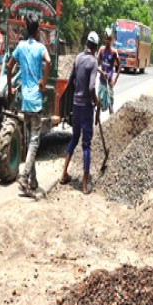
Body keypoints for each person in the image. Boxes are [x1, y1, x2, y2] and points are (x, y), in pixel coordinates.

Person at [6, 13, 51, 196]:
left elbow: (9, 66)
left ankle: (33, 181)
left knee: (28, 138)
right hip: (36, 101)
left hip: (25, 100)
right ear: (38, 29)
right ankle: (25, 176)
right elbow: (48, 61)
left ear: (26, 28)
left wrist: (10, 87)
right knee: (34, 141)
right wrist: (43, 81)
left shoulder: (20, 47)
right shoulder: (40, 48)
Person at [60, 32, 101, 194]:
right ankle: (84, 185)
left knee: (74, 138)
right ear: (96, 47)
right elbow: (91, 87)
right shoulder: (93, 62)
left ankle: (63, 174)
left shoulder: (78, 59)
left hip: (76, 106)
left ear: (86, 44)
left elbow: (70, 82)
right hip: (86, 108)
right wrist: (95, 101)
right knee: (86, 145)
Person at [97, 27, 120, 114]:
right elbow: (97, 64)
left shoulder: (114, 52)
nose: (107, 41)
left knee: (110, 104)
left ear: (112, 40)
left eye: (109, 39)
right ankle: (96, 124)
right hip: (102, 81)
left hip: (109, 82)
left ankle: (112, 122)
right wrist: (102, 72)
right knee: (98, 102)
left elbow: (120, 66)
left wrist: (115, 80)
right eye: (106, 39)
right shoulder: (101, 50)